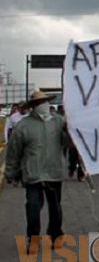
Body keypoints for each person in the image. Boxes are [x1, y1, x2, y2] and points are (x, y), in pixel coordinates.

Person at [4, 90, 68, 253]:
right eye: (39, 103)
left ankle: (56, 235)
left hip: (54, 172)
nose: (43, 105)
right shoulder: (23, 126)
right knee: (33, 207)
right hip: (33, 174)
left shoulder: (59, 122)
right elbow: (14, 151)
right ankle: (33, 238)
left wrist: (70, 132)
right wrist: (10, 173)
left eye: (45, 102)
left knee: (55, 207)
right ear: (33, 107)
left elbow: (68, 142)